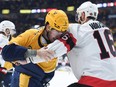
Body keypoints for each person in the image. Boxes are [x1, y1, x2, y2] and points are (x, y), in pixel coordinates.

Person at [37, 1, 116, 87]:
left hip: (95, 81)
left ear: (82, 15)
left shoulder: (78, 29)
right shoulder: (107, 30)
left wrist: (27, 57)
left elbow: (51, 51)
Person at [1, 9, 74, 87]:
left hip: (40, 81)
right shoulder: (31, 35)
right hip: (25, 81)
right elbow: (6, 52)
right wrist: (36, 53)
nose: (61, 36)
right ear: (48, 27)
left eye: (63, 33)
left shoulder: (61, 40)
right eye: (58, 31)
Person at [0, 20, 16, 87]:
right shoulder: (1, 39)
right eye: (11, 29)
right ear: (6, 29)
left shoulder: (9, 39)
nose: (13, 31)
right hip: (3, 69)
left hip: (7, 69)